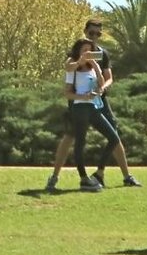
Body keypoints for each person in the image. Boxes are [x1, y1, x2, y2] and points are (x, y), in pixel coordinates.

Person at [44, 20, 140, 191]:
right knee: (70, 137)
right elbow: (68, 68)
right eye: (91, 33)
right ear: (85, 32)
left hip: (99, 101)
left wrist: (102, 87)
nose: (94, 36)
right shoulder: (77, 52)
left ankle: (122, 175)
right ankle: (55, 177)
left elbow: (108, 77)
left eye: (98, 34)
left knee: (114, 134)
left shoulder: (102, 54)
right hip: (79, 103)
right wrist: (81, 61)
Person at [55, 38, 125, 191]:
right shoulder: (73, 66)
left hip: (93, 107)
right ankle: (84, 179)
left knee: (113, 138)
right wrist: (82, 96)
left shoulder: (92, 66)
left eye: (90, 50)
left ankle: (98, 172)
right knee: (80, 143)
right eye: (84, 50)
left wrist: (96, 68)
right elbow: (67, 92)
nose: (87, 53)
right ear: (78, 51)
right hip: (80, 109)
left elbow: (101, 83)